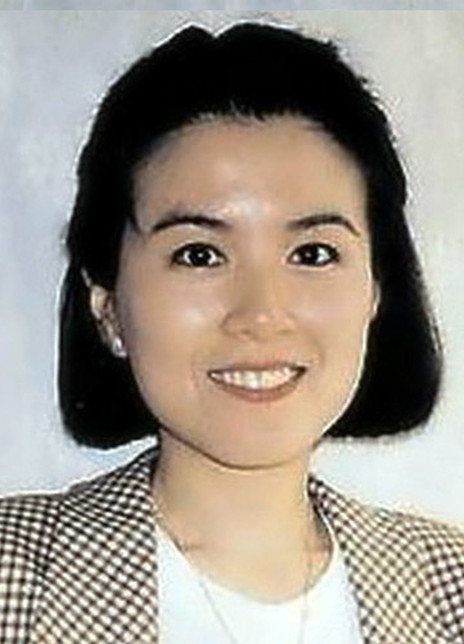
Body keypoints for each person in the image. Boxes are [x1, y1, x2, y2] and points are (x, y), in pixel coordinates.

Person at [0, 21, 463, 644]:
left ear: (375, 292)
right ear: (107, 307)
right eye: (199, 255)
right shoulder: (14, 579)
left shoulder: (449, 589)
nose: (261, 313)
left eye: (313, 254)